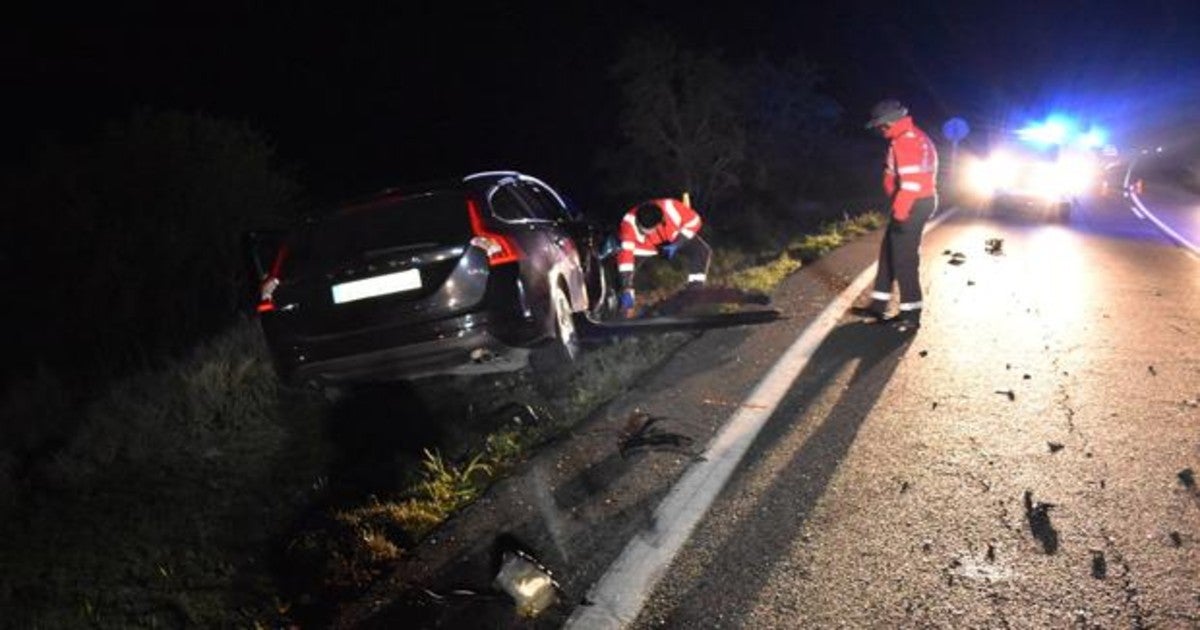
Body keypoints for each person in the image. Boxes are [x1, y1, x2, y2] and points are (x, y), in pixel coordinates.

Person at [852, 98, 939, 331]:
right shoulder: (906, 138)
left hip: (913, 202)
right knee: (889, 253)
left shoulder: (907, 142)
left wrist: (900, 213)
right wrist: (892, 190)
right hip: (912, 200)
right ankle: (878, 305)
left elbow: (911, 185)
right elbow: (893, 174)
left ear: (890, 122)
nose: (880, 131)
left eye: (881, 126)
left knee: (904, 259)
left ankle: (910, 315)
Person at [615, 197, 712, 317]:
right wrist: (626, 286)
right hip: (643, 248)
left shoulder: (672, 208)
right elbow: (626, 256)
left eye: (648, 230)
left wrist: (677, 243)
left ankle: (694, 292)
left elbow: (695, 221)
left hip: (673, 240)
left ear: (661, 222)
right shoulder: (628, 223)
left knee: (702, 251)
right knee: (622, 281)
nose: (645, 232)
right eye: (642, 230)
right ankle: (623, 314)